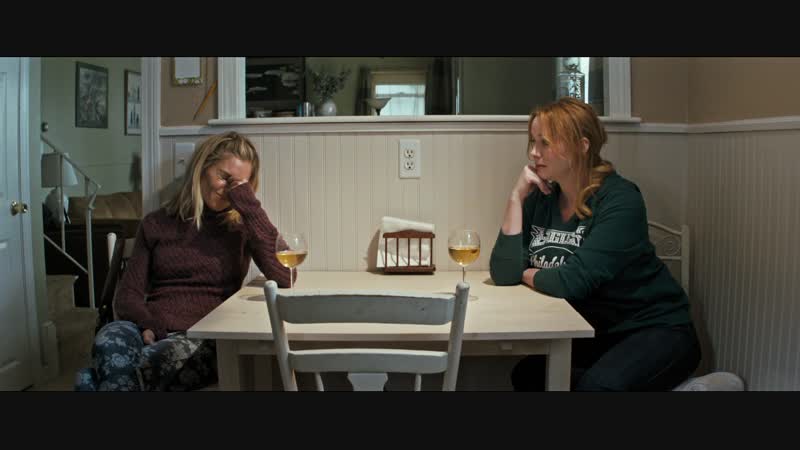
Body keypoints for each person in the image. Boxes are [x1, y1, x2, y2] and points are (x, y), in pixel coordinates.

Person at [489, 98, 700, 391]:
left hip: (653, 328)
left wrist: (524, 273)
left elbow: (571, 282)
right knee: (528, 374)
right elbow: (503, 273)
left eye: (545, 143)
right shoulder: (542, 198)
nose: (534, 153)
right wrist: (516, 197)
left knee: (596, 387)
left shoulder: (621, 200)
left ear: (582, 145)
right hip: (596, 332)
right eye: (533, 142)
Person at [75, 131, 295, 391]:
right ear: (202, 168)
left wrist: (250, 207)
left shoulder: (243, 227)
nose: (229, 191)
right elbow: (127, 296)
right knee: (107, 342)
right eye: (225, 178)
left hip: (204, 336)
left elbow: (285, 276)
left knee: (111, 374)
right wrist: (149, 323)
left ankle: (91, 384)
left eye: (240, 185)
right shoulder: (156, 223)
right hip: (149, 326)